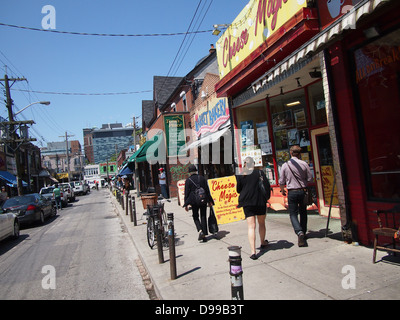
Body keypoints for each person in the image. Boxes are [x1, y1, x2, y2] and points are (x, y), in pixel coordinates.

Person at [236, 157, 270, 260]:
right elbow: (267, 186)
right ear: (253, 164)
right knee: (261, 223)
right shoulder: (259, 173)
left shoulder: (241, 175)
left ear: (245, 164)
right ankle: (263, 242)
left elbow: (238, 190)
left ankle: (253, 251)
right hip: (259, 201)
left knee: (251, 227)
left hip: (247, 202)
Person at [279, 145, 312, 247]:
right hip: (302, 191)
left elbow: (281, 180)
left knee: (293, 213)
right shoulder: (304, 164)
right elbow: (310, 178)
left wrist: (282, 189)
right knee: (303, 212)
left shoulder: (285, 165)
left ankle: (299, 232)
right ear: (300, 154)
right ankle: (303, 232)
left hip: (292, 192)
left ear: (290, 153)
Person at [184, 164, 214, 242]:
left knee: (195, 216)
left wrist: (186, 204)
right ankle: (204, 235)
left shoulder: (188, 181)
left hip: (194, 201)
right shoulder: (202, 178)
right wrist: (210, 201)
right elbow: (207, 190)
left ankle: (200, 230)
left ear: (189, 172)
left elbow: (186, 193)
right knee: (203, 216)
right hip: (203, 200)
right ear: (196, 171)